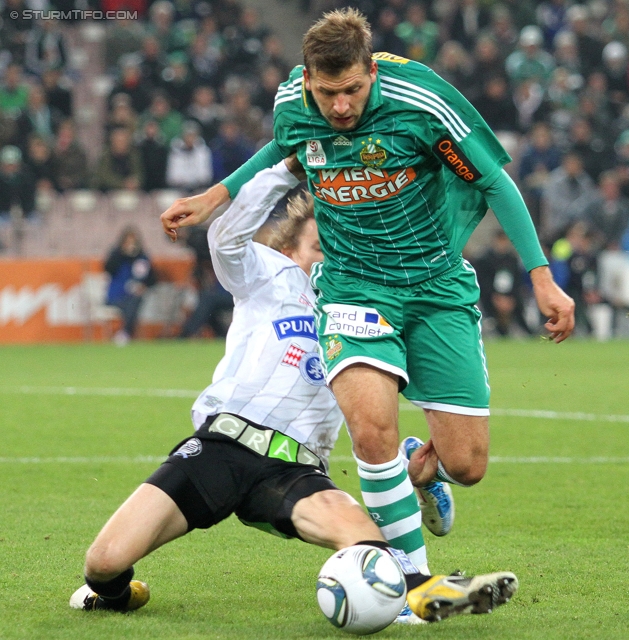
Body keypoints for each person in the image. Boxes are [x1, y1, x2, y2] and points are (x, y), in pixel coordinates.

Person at [160, 7, 573, 590]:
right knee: (370, 430)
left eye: (353, 90)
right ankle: (414, 581)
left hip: (435, 286)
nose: (342, 107)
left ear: (370, 71)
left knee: (467, 465)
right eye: (328, 93)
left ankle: (424, 469)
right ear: (307, 80)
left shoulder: (421, 102)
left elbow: (493, 180)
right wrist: (218, 193)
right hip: (353, 285)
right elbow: (281, 146)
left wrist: (541, 275)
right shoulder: (294, 106)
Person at [71, 158, 519, 624]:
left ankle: (422, 590)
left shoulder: (363, 308)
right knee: (103, 564)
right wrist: (286, 166)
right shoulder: (269, 273)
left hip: (296, 469)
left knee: (368, 542)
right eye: (319, 245)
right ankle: (118, 595)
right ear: (290, 245)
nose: (329, 256)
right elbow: (224, 237)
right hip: (221, 448)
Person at [104, 227, 156, 345]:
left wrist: (143, 286)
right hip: (116, 296)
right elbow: (108, 268)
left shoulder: (142, 258)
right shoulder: (116, 255)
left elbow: (152, 278)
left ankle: (124, 333)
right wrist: (123, 254)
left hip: (134, 296)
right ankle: (126, 332)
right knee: (132, 303)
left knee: (135, 300)